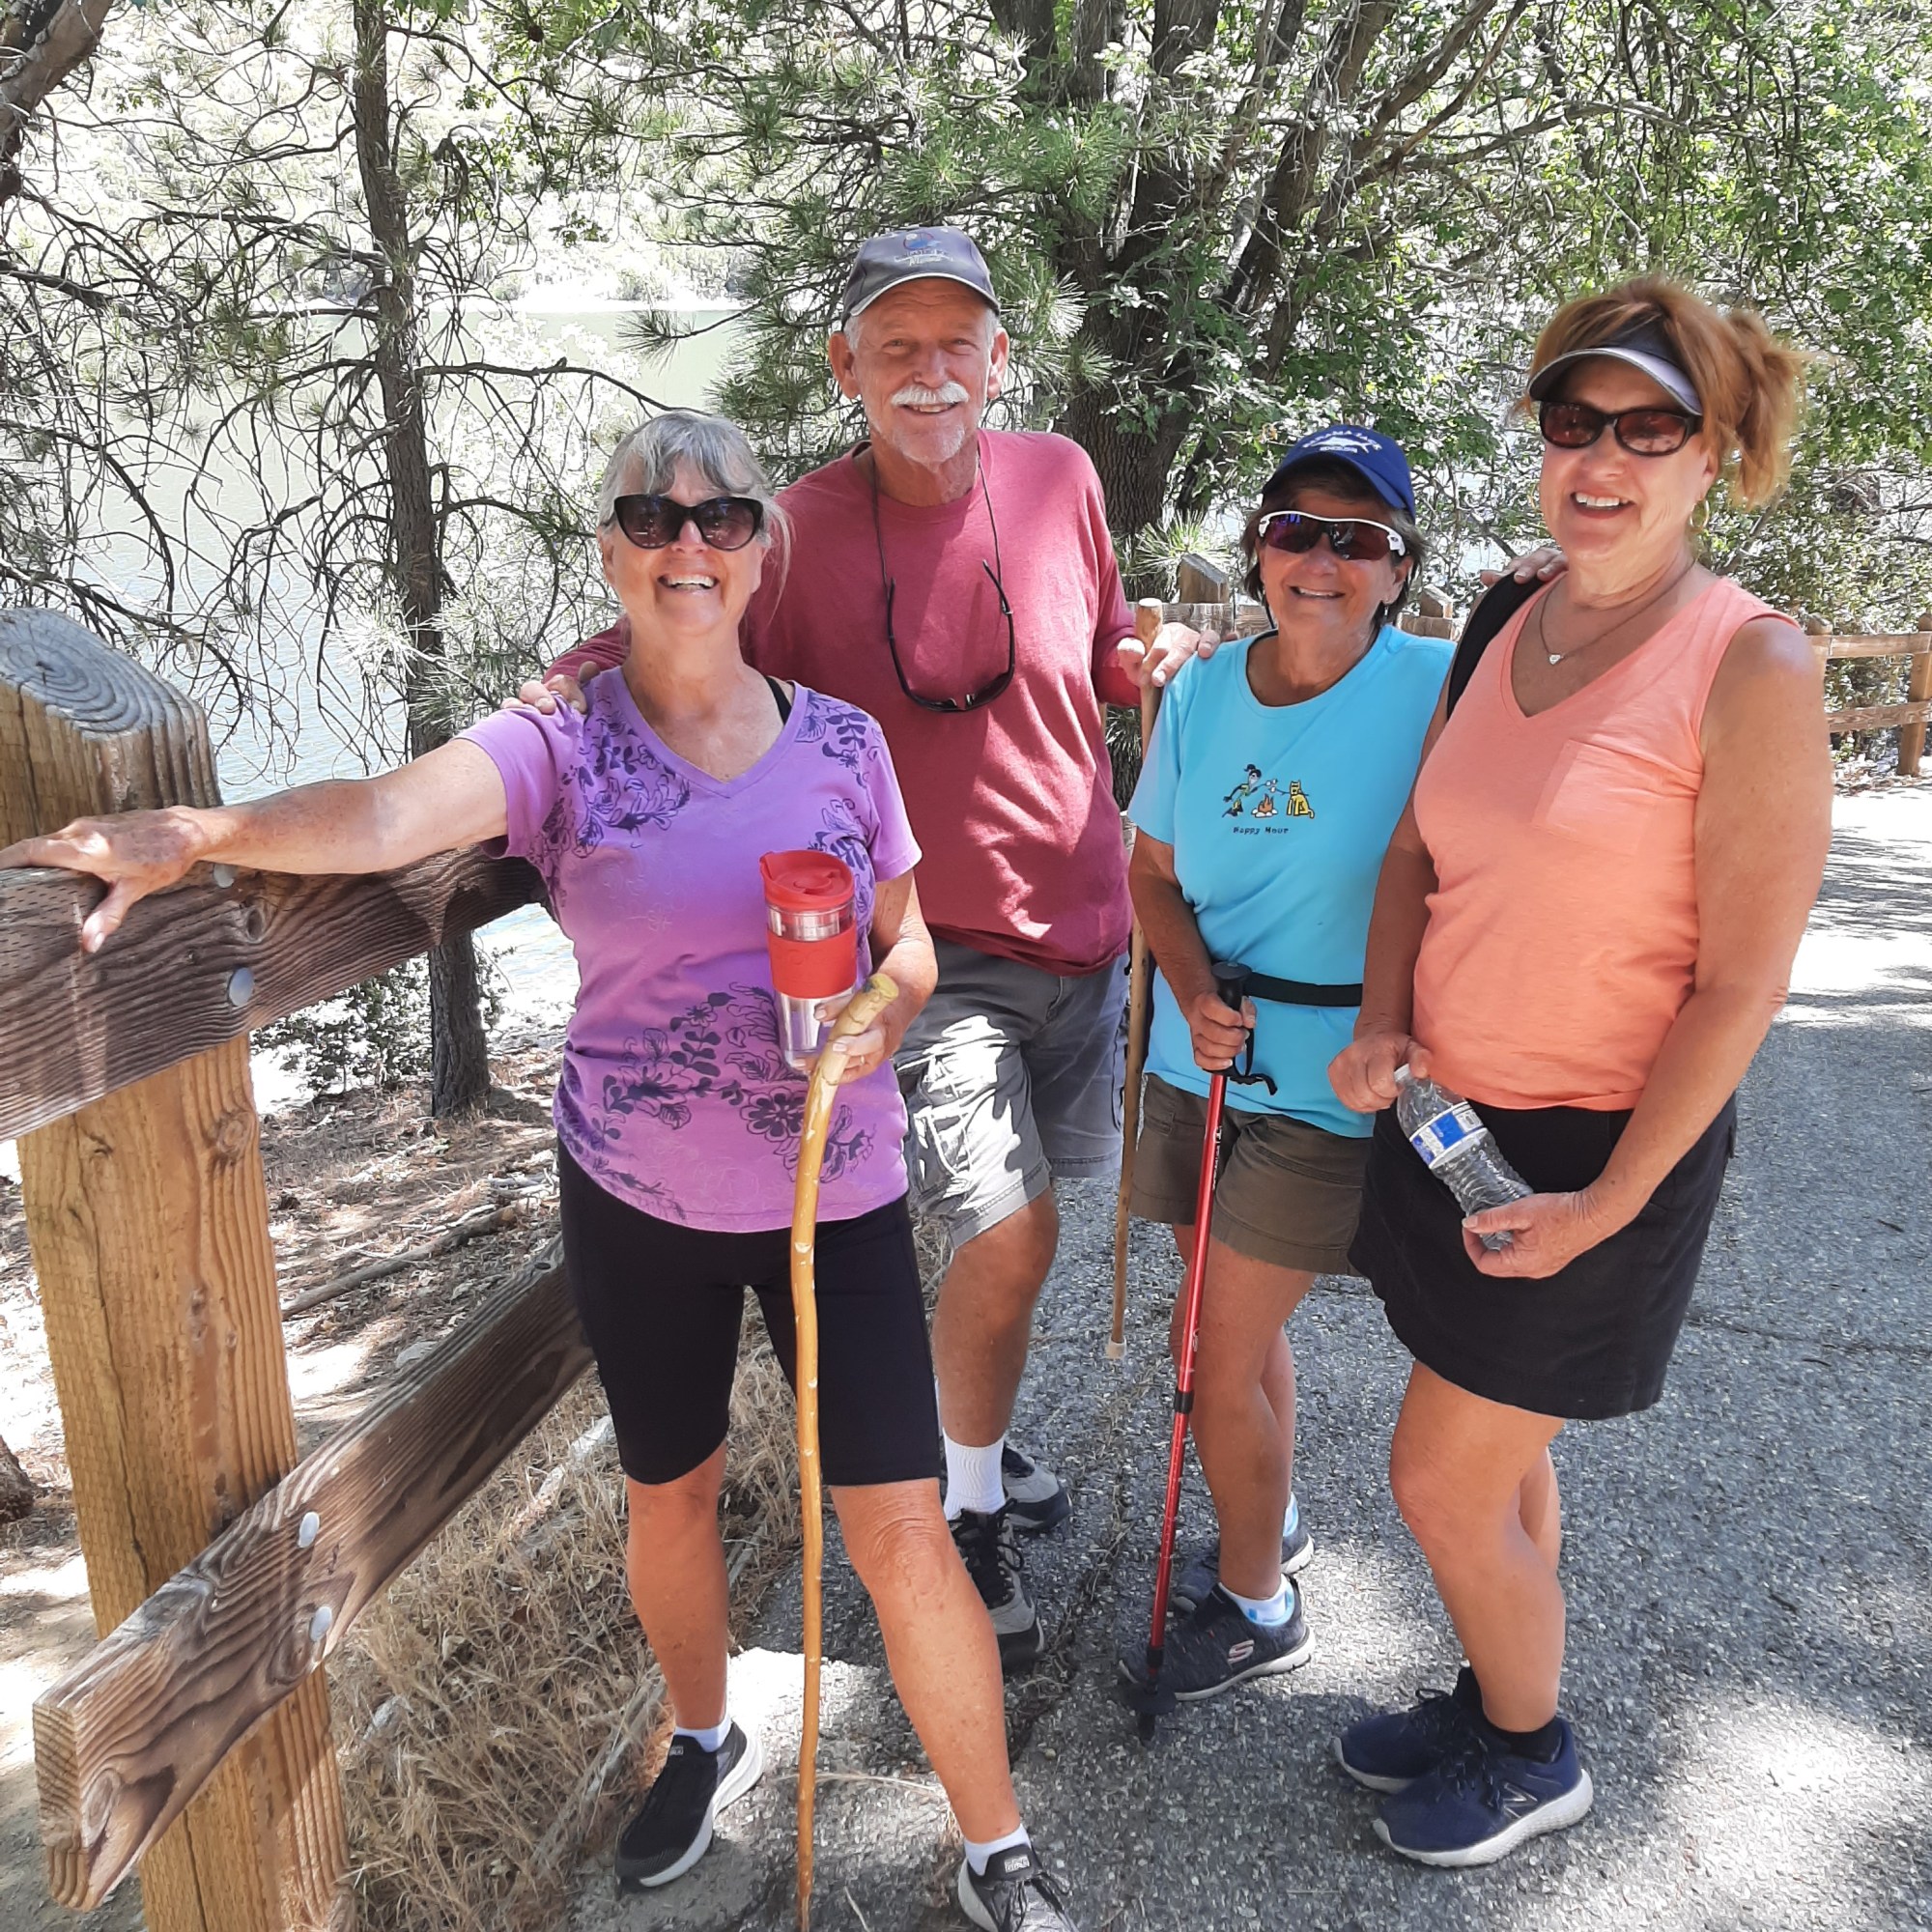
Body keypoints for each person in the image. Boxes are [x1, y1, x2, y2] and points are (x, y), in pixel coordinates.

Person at [3, 412, 1084, 1932]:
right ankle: (702, 1737)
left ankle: (998, 1850)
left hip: (830, 1194)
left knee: (899, 1527)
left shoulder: (844, 743)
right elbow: (386, 815)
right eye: (653, 517)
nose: (688, 544)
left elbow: (907, 942)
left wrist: (885, 1011)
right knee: (672, 1495)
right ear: (611, 551)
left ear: (762, 551)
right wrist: (200, 831)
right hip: (638, 1201)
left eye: (722, 518)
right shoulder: (561, 744)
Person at [525, 227, 1210, 1669]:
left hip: (1085, 932)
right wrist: (575, 682)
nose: (929, 371)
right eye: (896, 346)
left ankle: (977, 1439)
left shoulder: (1061, 478)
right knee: (1008, 1229)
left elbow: (1097, 654)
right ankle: (965, 1507)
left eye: (957, 342)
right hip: (924, 947)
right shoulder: (794, 531)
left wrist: (1143, 662)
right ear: (847, 366)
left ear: (999, 359)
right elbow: (689, 640)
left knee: (1025, 1236)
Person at [1328, 277, 1828, 1867]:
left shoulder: (1751, 667)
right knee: (1501, 1454)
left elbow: (1742, 984)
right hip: (1446, 1122)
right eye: (1572, 419)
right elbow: (1416, 852)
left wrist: (1607, 1207)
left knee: (1436, 1479)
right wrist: (1382, 1023)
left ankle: (1535, 1753)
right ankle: (1498, 1689)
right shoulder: (1504, 614)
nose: (1600, 459)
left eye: (1649, 428)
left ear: (1715, 452)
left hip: (1598, 1155)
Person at [1120, 426, 1449, 1700]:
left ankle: (1259, 1604)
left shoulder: (1443, 689)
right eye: (1295, 530)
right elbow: (1153, 876)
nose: (1321, 559)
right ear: (1260, 550)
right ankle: (1275, 1520)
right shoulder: (1200, 694)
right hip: (1198, 1064)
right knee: (1236, 1342)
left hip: (1331, 1088)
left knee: (1206, 1350)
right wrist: (1193, 993)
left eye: (1356, 538)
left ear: (1396, 568)